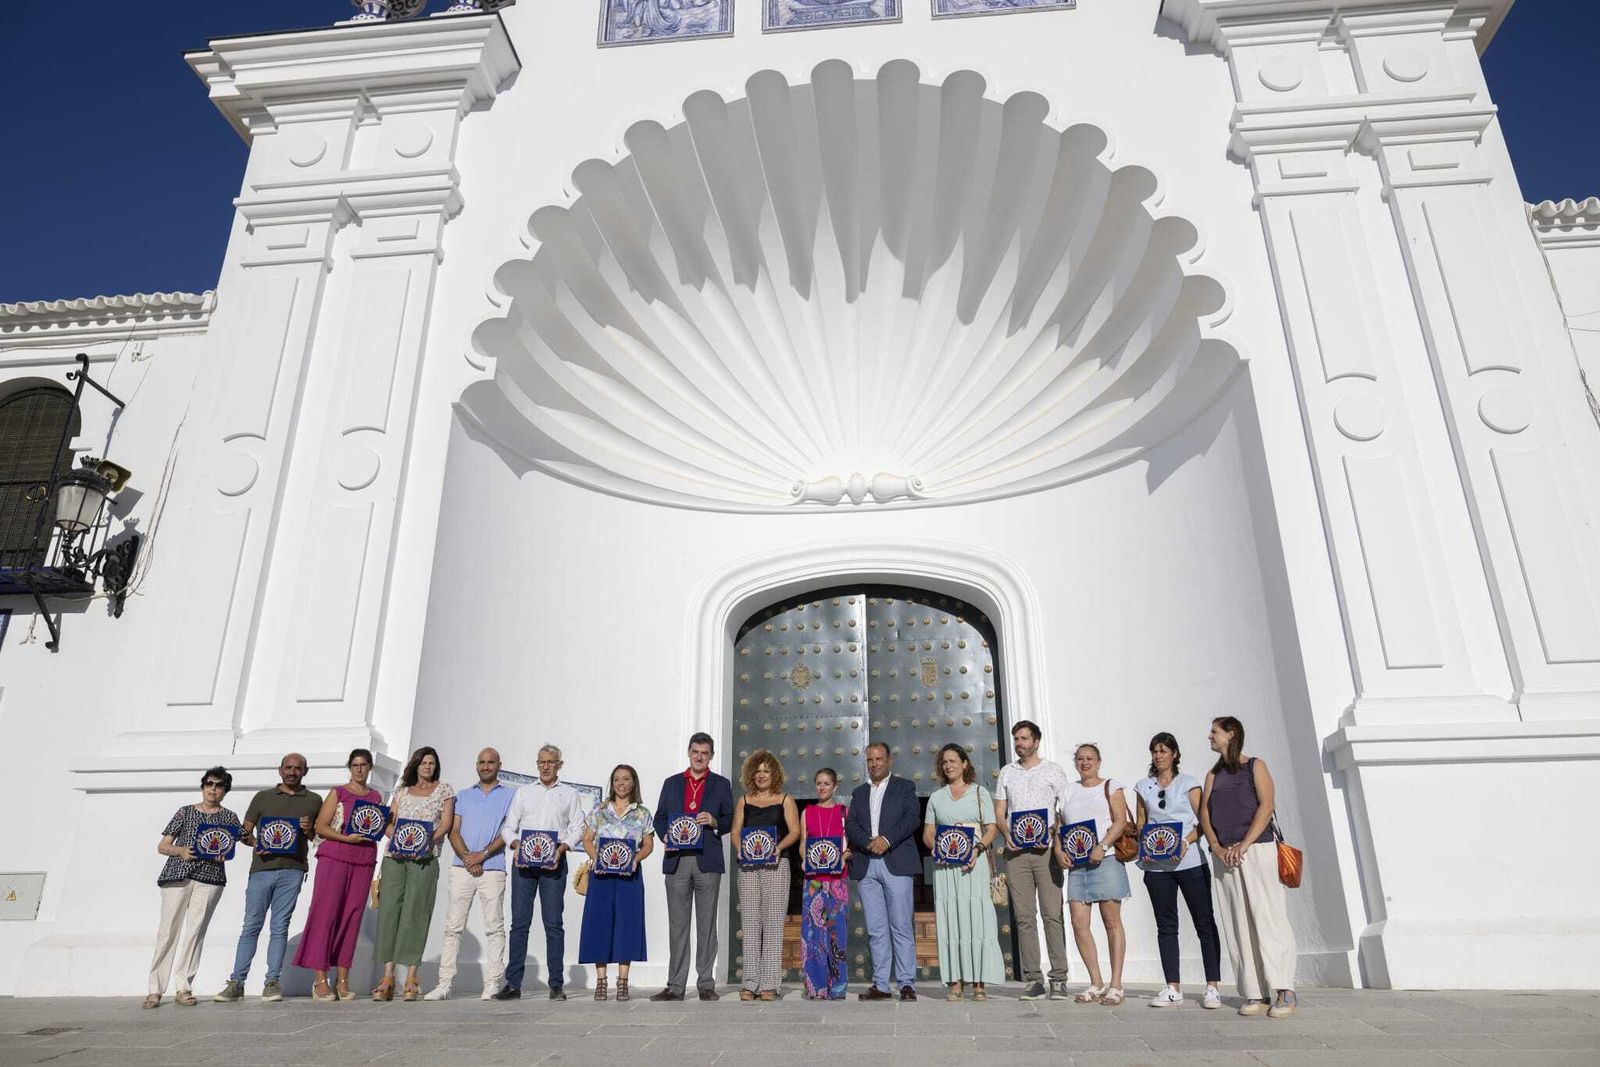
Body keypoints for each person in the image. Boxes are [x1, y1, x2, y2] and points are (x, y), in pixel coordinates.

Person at [1200, 716, 1298, 1019]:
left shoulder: (1255, 765)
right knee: (1237, 923)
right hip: (1225, 857)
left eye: (1214, 732)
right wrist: (1216, 847)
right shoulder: (1212, 774)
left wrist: (1243, 845)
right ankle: (1255, 991)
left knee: (1268, 918)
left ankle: (1284, 988)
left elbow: (1266, 806)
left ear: (1231, 734)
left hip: (1257, 850)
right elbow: (1205, 813)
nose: (1210, 736)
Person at [213, 753, 321, 1004]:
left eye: (297, 768)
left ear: (305, 771)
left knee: (279, 927)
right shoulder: (262, 797)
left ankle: (272, 981)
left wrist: (309, 830)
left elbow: (319, 837)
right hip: (261, 869)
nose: (292, 772)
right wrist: (255, 843)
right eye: (288, 767)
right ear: (279, 770)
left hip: (293, 870)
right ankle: (237, 982)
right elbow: (244, 831)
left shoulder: (314, 800)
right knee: (251, 926)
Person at [1134, 732, 1222, 1009]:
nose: (1158, 755)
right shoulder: (1143, 786)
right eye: (1155, 751)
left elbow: (1203, 821)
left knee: (1204, 922)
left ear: (1174, 754)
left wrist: (1185, 841)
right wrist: (1146, 841)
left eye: (1163, 750)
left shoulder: (1189, 783)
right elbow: (1141, 822)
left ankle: (1212, 986)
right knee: (1166, 926)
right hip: (1157, 867)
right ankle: (1172, 987)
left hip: (1189, 862)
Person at [143, 767, 241, 1009]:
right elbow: (163, 846)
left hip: (210, 878)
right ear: (203, 786)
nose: (213, 789)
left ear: (225, 790)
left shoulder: (230, 818)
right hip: (178, 875)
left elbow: (240, 840)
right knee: (168, 932)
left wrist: (226, 853)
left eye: (219, 785)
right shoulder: (185, 812)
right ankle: (155, 989)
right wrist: (181, 851)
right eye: (209, 784)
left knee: (195, 933)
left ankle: (184, 986)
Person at [498, 744, 587, 1001]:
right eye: (541, 762)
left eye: (550, 762)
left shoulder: (569, 794)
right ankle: (513, 984)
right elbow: (508, 827)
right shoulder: (524, 793)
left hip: (554, 862)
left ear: (560, 765)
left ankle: (556, 984)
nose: (545, 766)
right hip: (524, 864)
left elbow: (577, 828)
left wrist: (562, 848)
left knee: (553, 923)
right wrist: (515, 845)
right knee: (519, 923)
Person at [651, 731, 735, 1002]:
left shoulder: (721, 784)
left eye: (704, 753)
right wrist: (665, 835)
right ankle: (675, 986)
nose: (699, 757)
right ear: (689, 752)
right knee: (678, 926)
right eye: (695, 752)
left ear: (711, 756)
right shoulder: (672, 783)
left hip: (707, 861)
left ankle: (706, 984)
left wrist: (714, 821)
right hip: (677, 861)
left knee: (707, 926)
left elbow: (731, 818)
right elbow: (659, 817)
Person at [427, 747, 515, 1001]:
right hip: (462, 868)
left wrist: (482, 855)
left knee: (495, 928)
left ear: (499, 765)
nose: (486, 766)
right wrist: (468, 857)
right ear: (476, 765)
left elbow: (508, 830)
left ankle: (492, 983)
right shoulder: (463, 795)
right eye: (482, 762)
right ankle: (444, 984)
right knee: (453, 927)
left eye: (491, 762)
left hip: (493, 869)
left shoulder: (511, 796)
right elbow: (453, 830)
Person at [994, 719, 1074, 1000]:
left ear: (1036, 742)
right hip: (1016, 853)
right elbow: (1000, 811)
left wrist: (1053, 834)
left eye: (1024, 738)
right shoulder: (1007, 773)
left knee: (1052, 914)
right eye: (1016, 738)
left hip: (1046, 852)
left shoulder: (1053, 771)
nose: (1019, 743)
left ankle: (1059, 978)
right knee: (1025, 917)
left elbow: (1064, 809)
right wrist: (1006, 834)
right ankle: (1033, 980)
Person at [295, 748, 382, 1001]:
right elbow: (321, 827)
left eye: (363, 765)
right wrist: (346, 838)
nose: (359, 769)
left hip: (363, 860)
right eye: (355, 765)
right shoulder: (338, 792)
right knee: (326, 914)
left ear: (370, 767)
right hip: (334, 856)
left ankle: (343, 979)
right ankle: (320, 980)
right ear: (350, 767)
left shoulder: (376, 796)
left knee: (351, 918)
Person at [370, 747, 455, 1002]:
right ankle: (387, 976)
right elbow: (389, 821)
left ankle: (412, 976)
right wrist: (397, 839)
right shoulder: (401, 791)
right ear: (415, 765)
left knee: (416, 913)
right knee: (389, 913)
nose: (427, 766)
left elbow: (446, 823)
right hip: (395, 858)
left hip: (424, 858)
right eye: (423, 762)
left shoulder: (444, 790)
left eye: (431, 763)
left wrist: (426, 842)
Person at [923, 744, 1004, 1001]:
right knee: (951, 920)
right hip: (946, 867)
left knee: (977, 918)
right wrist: (937, 848)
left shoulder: (980, 793)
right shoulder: (936, 798)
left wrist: (977, 849)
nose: (948, 765)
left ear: (965, 763)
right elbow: (928, 833)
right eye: (944, 762)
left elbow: (991, 829)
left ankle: (979, 982)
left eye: (953, 761)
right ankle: (955, 981)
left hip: (974, 863)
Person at [1054, 742, 1131, 1006]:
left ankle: (1116, 984)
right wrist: (1058, 851)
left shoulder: (1111, 786)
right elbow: (1059, 827)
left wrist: (1103, 845)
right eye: (1080, 759)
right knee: (1079, 923)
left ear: (1099, 762)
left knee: (1111, 921)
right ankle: (1096, 981)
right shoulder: (1067, 791)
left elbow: (1120, 820)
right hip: (1078, 865)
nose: (1084, 762)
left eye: (1089, 758)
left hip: (1105, 861)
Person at [846, 741, 921, 1001]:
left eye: (879, 759)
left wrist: (886, 840)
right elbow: (851, 825)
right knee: (876, 929)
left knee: (901, 926)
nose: (874, 764)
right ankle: (880, 984)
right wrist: (869, 842)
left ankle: (906, 983)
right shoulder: (859, 793)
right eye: (870, 760)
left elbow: (911, 818)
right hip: (867, 864)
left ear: (890, 760)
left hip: (896, 862)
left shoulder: (905, 787)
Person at [579, 764, 655, 1002]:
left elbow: (649, 844)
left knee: (627, 926)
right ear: (612, 783)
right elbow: (587, 839)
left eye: (626, 779)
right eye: (617, 779)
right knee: (598, 925)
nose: (621, 783)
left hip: (629, 877)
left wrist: (636, 859)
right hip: (601, 876)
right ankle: (601, 981)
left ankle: (623, 982)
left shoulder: (642, 813)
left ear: (634, 783)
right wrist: (596, 857)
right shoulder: (599, 810)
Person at [731, 751, 800, 1001]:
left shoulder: (785, 800)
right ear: (752, 774)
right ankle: (750, 982)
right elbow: (735, 831)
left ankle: (770, 983)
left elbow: (795, 831)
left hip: (777, 866)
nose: (761, 775)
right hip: (749, 868)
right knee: (750, 923)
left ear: (774, 774)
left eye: (766, 771)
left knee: (773, 924)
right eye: (758, 771)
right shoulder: (744, 800)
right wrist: (740, 849)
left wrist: (778, 848)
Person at [799, 767, 850, 1000]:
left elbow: (849, 845)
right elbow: (803, 843)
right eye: (818, 783)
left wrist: (843, 857)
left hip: (837, 881)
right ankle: (816, 986)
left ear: (835, 786)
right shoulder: (807, 812)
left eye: (827, 783)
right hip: (814, 882)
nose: (822, 787)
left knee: (836, 932)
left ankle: (838, 987)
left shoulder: (843, 812)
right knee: (813, 934)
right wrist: (804, 859)